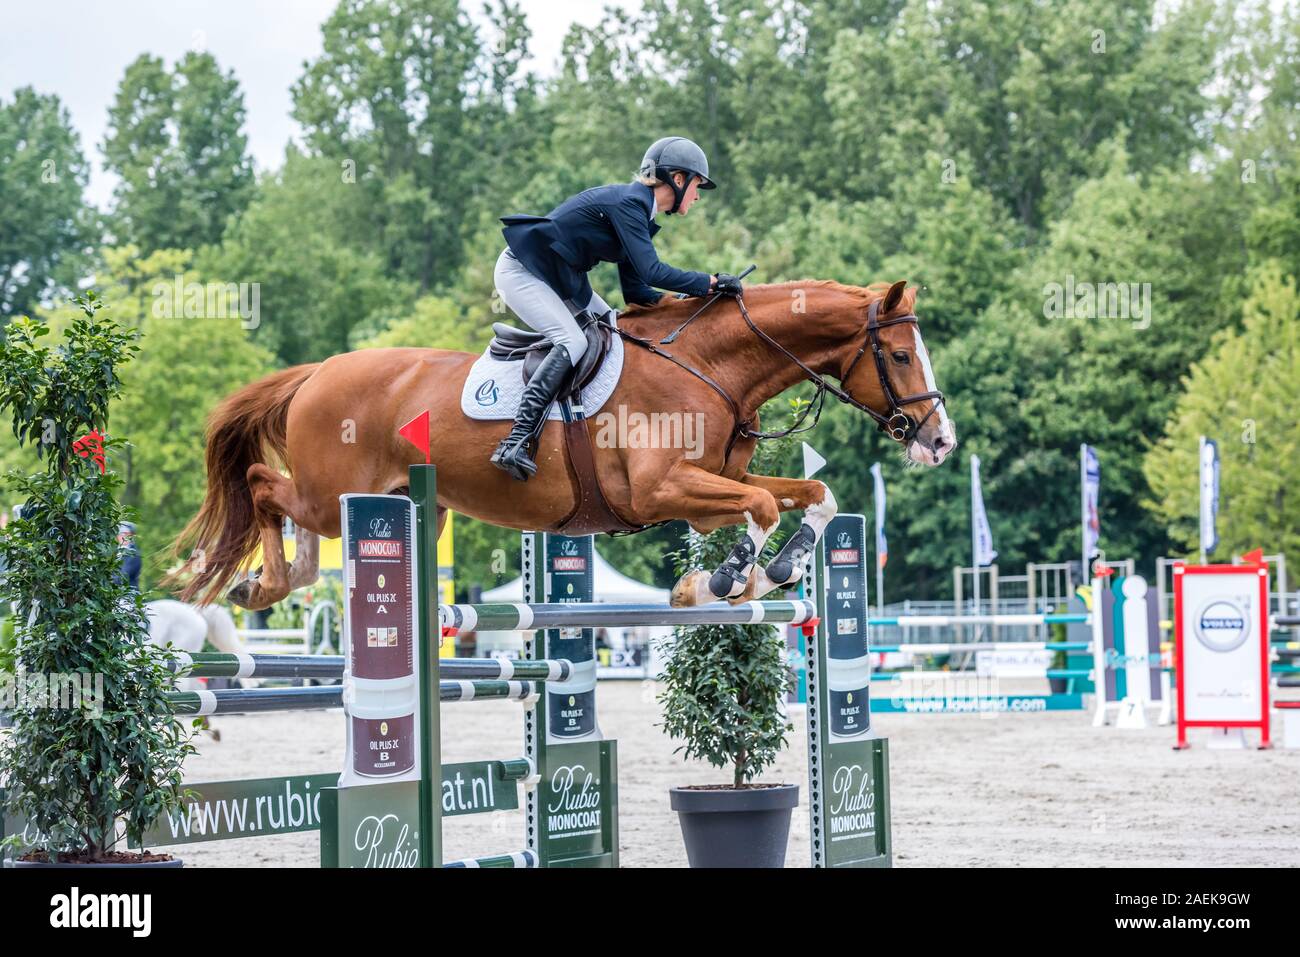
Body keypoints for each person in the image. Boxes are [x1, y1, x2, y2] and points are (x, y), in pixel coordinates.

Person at [491, 135, 745, 481]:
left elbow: (637, 293)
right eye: (698, 185)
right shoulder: (630, 204)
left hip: (559, 278)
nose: (698, 196)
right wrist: (710, 282)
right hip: (523, 271)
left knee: (613, 325)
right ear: (678, 179)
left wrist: (693, 302)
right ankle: (516, 441)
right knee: (573, 342)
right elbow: (652, 272)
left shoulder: (639, 212)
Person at [116, 522, 141, 591]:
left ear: (132, 536)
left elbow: (123, 577)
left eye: (126, 534)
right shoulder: (116, 552)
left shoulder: (134, 554)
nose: (123, 537)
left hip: (128, 594)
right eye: (121, 533)